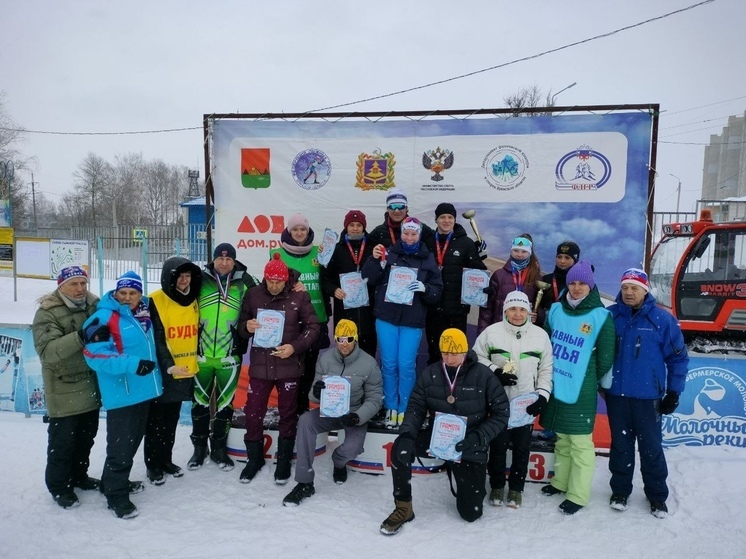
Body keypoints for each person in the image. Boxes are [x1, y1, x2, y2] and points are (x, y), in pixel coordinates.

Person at [379, 328, 509, 535]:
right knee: (399, 448)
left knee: (471, 514)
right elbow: (415, 408)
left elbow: (502, 413)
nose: (449, 358)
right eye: (445, 352)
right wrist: (406, 434)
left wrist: (477, 438)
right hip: (437, 438)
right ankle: (404, 506)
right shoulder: (430, 373)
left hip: (468, 443)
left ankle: (467, 479)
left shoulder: (483, 375)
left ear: (465, 352)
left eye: (455, 353)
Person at [605, 268, 689, 518]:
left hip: (648, 397)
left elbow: (678, 359)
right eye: (625, 287)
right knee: (620, 446)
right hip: (616, 395)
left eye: (635, 288)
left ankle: (656, 496)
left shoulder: (662, 320)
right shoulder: (609, 317)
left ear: (645, 290)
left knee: (651, 448)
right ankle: (620, 490)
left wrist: (674, 392)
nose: (629, 292)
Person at [83, 271, 163, 519]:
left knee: (131, 443)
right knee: (120, 448)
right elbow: (95, 356)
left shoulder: (144, 314)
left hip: (143, 391)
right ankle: (116, 496)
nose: (128, 297)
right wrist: (132, 364)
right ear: (115, 293)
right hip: (123, 393)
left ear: (141, 294)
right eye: (123, 293)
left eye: (133, 293)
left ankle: (112, 482)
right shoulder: (103, 317)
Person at [539, 261, 615, 515]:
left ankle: (578, 495)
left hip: (581, 385)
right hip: (556, 381)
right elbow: (547, 344)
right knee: (562, 437)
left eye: (582, 283)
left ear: (591, 286)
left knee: (581, 443)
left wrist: (588, 377)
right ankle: (560, 482)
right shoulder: (556, 310)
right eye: (572, 282)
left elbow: (605, 357)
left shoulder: (600, 316)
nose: (577, 287)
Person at [237, 253, 320, 485]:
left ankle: (283, 461)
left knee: (287, 413)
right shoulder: (253, 295)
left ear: (286, 280)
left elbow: (313, 328)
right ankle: (254, 459)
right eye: (270, 281)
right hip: (260, 367)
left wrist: (294, 347)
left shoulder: (299, 296)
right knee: (253, 412)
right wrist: (247, 326)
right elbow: (241, 327)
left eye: (279, 282)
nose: (274, 286)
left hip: (289, 366)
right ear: (264, 278)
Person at [282, 319, 383, 506]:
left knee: (352, 448)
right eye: (340, 339)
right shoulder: (326, 358)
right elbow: (313, 394)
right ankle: (304, 482)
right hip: (328, 411)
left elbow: (375, 399)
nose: (344, 343)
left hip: (353, 414)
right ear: (335, 339)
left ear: (356, 339)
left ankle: (338, 461)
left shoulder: (368, 363)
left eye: (349, 339)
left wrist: (358, 416)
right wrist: (317, 392)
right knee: (305, 421)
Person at [473, 290, 553, 508]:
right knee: (497, 447)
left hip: (525, 404)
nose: (517, 314)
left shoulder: (540, 335)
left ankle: (516, 488)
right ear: (505, 310)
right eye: (513, 309)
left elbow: (546, 369)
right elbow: (476, 357)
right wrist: (495, 371)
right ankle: (497, 486)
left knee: (521, 448)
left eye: (522, 310)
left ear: (528, 311)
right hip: (498, 403)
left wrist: (543, 395)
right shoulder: (491, 332)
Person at [361, 217, 443, 428]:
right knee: (388, 364)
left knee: (406, 365)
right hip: (386, 317)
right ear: (401, 234)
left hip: (412, 320)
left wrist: (426, 289)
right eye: (406, 233)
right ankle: (390, 406)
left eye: (413, 233)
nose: (409, 237)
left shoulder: (427, 258)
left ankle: (405, 407)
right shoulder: (389, 253)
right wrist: (375, 261)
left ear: (419, 234)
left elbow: (436, 292)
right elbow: (369, 278)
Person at [32, 266, 101, 510]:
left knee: (86, 438)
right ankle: (60, 487)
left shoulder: (94, 304)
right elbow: (47, 353)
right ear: (61, 286)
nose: (80, 289)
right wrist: (81, 337)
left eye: (83, 283)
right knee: (63, 444)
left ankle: (79, 476)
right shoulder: (46, 313)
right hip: (63, 390)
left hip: (90, 385)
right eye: (74, 284)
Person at [189, 242, 257, 472]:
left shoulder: (246, 281)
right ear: (214, 260)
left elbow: (268, 295)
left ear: (234, 261)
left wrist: (295, 282)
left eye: (229, 259)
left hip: (230, 355)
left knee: (226, 405)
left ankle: (218, 448)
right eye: (220, 258)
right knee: (199, 404)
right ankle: (199, 449)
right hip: (201, 355)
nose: (224, 263)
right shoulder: (200, 278)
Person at [145, 257, 202, 485]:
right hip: (165, 371)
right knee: (155, 421)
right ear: (169, 276)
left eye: (187, 276)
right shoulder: (155, 301)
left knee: (172, 420)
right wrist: (169, 365)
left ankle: (166, 460)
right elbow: (157, 339)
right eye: (179, 276)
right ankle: (152, 465)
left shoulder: (194, 298)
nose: (183, 280)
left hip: (185, 371)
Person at [270, 212, 331, 413]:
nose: (299, 232)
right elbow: (273, 284)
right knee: (292, 365)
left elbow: (328, 278)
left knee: (310, 365)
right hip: (290, 319)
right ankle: (290, 407)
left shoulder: (319, 252)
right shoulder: (277, 253)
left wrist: (327, 255)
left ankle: (303, 407)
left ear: (308, 231)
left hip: (316, 317)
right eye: (295, 229)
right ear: (289, 230)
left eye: (302, 229)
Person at [424, 202, 487, 364]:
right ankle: (434, 387)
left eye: (450, 217)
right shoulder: (428, 242)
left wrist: (481, 258)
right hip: (432, 309)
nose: (446, 220)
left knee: (456, 353)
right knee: (435, 353)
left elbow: (477, 271)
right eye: (442, 217)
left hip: (457, 311)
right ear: (436, 220)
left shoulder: (466, 243)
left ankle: (454, 387)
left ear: (454, 219)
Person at [322, 209, 377, 357]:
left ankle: (367, 380)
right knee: (345, 352)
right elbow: (325, 279)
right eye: (351, 225)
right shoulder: (336, 249)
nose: (355, 228)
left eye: (359, 225)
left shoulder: (373, 248)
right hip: (345, 310)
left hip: (368, 311)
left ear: (364, 227)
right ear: (346, 226)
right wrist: (334, 290)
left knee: (368, 352)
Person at [478, 234, 544, 333]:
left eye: (524, 251)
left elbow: (541, 307)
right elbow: (487, 309)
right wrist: (483, 334)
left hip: (524, 331)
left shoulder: (536, 277)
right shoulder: (499, 275)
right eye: (516, 250)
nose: (519, 254)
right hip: (500, 329)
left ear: (530, 253)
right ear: (511, 251)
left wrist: (538, 315)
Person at [368, 188, 434, 248]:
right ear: (387, 209)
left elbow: (437, 241)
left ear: (406, 208)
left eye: (400, 206)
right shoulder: (379, 232)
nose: (397, 211)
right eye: (393, 206)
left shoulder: (419, 227)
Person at [539, 241, 581, 312]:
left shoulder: (581, 284)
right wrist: (541, 316)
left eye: (567, 258)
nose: (562, 261)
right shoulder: (546, 280)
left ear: (575, 261)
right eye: (559, 257)